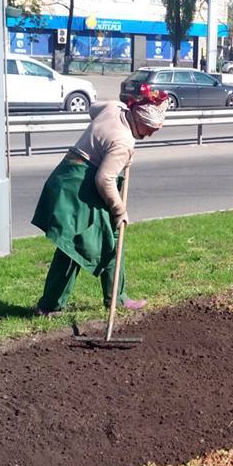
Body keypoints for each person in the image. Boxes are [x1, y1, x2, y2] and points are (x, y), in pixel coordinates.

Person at [30, 87, 168, 316]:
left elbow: (93, 110)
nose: (150, 134)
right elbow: (104, 179)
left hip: (68, 176)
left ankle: (116, 297)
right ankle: (50, 306)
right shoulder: (124, 141)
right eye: (149, 129)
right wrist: (119, 209)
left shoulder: (114, 108)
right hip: (78, 188)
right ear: (139, 119)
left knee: (108, 239)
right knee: (74, 245)